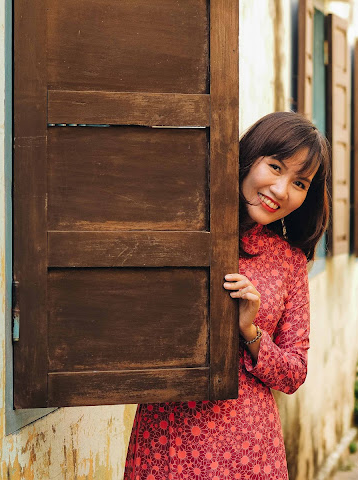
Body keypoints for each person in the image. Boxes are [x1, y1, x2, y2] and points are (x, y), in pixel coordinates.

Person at [123, 111, 330, 480]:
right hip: (168, 436)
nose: (281, 191)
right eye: (276, 167)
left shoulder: (289, 262)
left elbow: (294, 374)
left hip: (248, 447)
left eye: (300, 183)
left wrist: (249, 331)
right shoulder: (183, 230)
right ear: (248, 158)